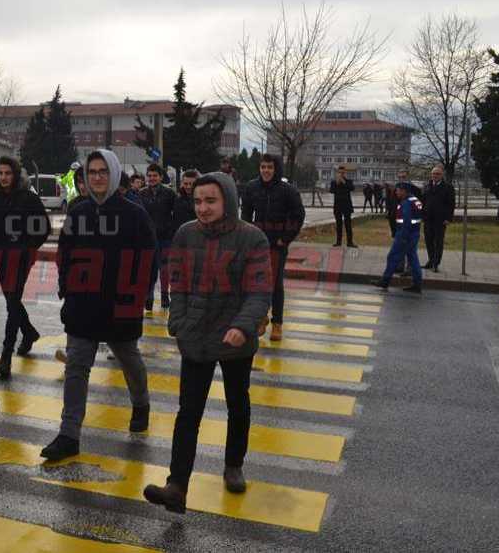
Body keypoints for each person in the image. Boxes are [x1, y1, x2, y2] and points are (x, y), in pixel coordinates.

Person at [142, 172, 272, 513]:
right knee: (188, 412)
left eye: (210, 200)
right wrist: (179, 323)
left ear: (227, 200)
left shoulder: (252, 238)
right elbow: (178, 282)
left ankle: (233, 465)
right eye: (198, 201)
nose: (203, 207)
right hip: (196, 336)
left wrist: (243, 327)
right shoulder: (185, 234)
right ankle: (177, 486)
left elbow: (259, 291)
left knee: (237, 404)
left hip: (234, 338)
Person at [40, 149, 155, 462]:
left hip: (121, 306)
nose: (98, 177)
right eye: (92, 172)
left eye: (103, 171)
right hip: (83, 304)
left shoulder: (134, 214)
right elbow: (65, 254)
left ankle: (141, 402)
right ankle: (69, 434)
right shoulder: (78, 213)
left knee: (129, 360)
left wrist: (140, 296)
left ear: (114, 173)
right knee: (77, 367)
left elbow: (148, 258)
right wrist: (66, 288)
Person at [0, 156, 50, 379]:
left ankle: (6, 355)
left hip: (22, 256)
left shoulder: (28, 198)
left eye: (8, 173)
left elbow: (43, 226)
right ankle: (29, 333)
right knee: (12, 299)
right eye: (0, 173)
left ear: (15, 174)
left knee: (12, 299)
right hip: (0, 256)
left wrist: (29, 247)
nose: (4, 177)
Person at [240, 154, 305, 342]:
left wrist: (285, 239)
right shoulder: (252, 187)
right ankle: (261, 317)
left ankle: (277, 323)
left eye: (269, 167)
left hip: (277, 244)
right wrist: (247, 235)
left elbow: (298, 215)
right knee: (255, 283)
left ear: (276, 169)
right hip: (256, 243)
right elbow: (245, 213)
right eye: (263, 167)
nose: (266, 171)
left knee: (275, 284)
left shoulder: (288, 190)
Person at [373, 182, 423, 293]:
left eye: (398, 190)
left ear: (404, 191)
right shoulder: (415, 200)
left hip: (405, 235)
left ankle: (385, 281)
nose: (396, 192)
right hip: (414, 233)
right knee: (412, 258)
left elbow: (406, 222)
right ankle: (417, 284)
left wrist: (403, 237)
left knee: (392, 256)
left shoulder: (406, 203)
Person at [140, 163, 177, 310]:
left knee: (164, 269)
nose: (152, 178)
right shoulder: (141, 194)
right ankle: (148, 296)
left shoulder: (170, 194)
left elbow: (176, 214)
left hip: (165, 238)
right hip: (147, 238)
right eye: (149, 176)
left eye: (155, 176)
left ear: (161, 177)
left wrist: (172, 231)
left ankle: (164, 296)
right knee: (149, 268)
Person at [421, 165, 455, 272]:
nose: (435, 176)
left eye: (437, 174)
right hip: (428, 219)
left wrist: (448, 218)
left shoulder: (448, 187)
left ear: (442, 175)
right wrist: (422, 215)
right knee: (428, 241)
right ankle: (431, 260)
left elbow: (451, 204)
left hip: (440, 220)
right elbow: (423, 202)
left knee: (438, 242)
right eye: (433, 174)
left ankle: (436, 263)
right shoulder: (427, 186)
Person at [329, 165, 356, 248]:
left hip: (347, 205)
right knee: (338, 224)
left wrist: (343, 182)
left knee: (348, 224)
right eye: (340, 173)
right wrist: (337, 183)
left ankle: (350, 242)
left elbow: (352, 188)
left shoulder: (348, 181)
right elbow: (331, 191)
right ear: (337, 173)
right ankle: (338, 241)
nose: (341, 174)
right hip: (338, 205)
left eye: (343, 173)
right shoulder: (334, 182)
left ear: (345, 173)